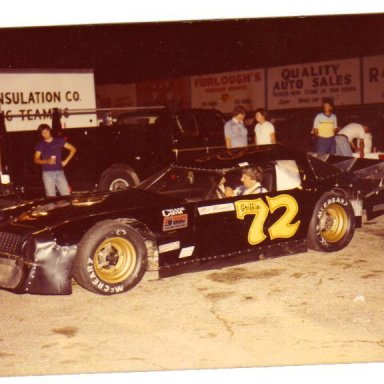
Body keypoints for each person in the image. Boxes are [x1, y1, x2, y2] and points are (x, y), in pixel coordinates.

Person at [34, 123, 77, 197]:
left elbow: (73, 149)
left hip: (60, 172)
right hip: (47, 174)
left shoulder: (59, 141)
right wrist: (47, 161)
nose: (45, 134)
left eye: (46, 131)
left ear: (50, 131)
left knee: (67, 196)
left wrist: (65, 161)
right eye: (43, 132)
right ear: (41, 134)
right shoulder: (40, 144)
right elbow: (36, 159)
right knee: (51, 198)